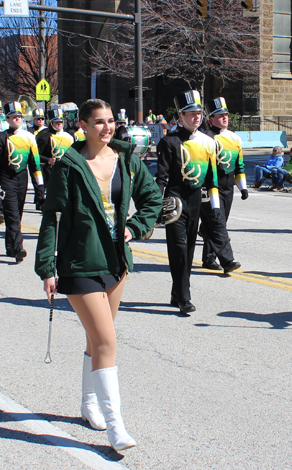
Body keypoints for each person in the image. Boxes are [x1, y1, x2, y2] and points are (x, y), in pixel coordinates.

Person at [35, 98, 162, 452]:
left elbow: (153, 201)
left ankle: (89, 405)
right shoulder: (68, 165)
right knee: (107, 341)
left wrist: (134, 229)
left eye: (110, 121)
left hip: (116, 263)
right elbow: (52, 216)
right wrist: (46, 266)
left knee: (96, 340)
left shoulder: (128, 161)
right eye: (99, 122)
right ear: (84, 127)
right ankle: (115, 425)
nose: (107, 127)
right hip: (79, 263)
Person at [156, 90, 221, 315]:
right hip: (174, 200)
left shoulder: (208, 141)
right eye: (190, 114)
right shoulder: (168, 142)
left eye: (199, 113)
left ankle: (177, 292)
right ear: (180, 117)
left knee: (190, 248)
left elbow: (212, 178)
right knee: (178, 249)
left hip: (195, 201)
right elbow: (161, 177)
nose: (196, 117)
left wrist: (215, 209)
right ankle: (185, 297)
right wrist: (157, 206)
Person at [0, 101, 44, 262]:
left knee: (16, 215)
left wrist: (40, 186)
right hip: (7, 180)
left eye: (19, 116)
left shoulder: (29, 137)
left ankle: (10, 247)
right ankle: (18, 248)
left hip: (22, 179)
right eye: (13, 117)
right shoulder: (1, 137)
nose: (17, 119)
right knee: (12, 216)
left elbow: (35, 164)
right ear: (7, 119)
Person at [199, 97, 246, 271]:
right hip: (211, 188)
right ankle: (226, 261)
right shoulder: (204, 138)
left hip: (228, 188)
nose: (224, 118)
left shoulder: (235, 138)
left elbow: (239, 165)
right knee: (217, 224)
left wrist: (243, 187)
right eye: (219, 115)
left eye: (225, 115)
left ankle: (208, 258)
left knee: (219, 224)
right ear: (210, 119)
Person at [36, 107, 74, 187]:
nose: (59, 124)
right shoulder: (44, 137)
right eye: (56, 122)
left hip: (67, 170)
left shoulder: (69, 137)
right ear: (51, 123)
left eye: (61, 122)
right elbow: (36, 155)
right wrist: (48, 160)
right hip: (51, 171)